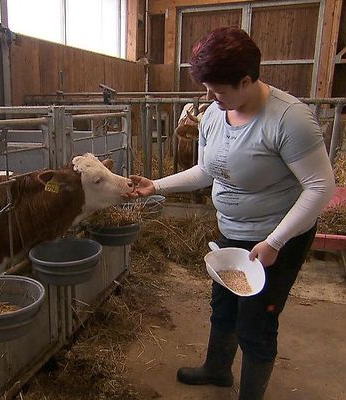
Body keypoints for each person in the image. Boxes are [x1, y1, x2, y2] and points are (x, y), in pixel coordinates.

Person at [126, 27, 335, 400]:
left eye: (218, 90)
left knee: (257, 322)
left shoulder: (289, 120)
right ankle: (218, 369)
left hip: (276, 239)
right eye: (207, 88)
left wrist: (275, 242)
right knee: (223, 305)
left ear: (246, 80)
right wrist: (155, 185)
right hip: (231, 233)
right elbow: (206, 171)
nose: (209, 98)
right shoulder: (213, 116)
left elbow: (320, 187)